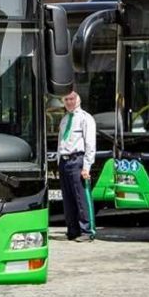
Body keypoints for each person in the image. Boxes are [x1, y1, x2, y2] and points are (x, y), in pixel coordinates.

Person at [57, 90, 97, 242]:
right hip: (64, 161)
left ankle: (87, 231)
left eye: (72, 99)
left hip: (77, 160)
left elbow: (90, 144)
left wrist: (87, 166)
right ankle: (72, 230)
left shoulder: (85, 118)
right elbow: (61, 141)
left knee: (82, 197)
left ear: (78, 100)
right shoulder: (64, 119)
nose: (69, 102)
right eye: (66, 99)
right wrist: (59, 161)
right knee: (68, 198)